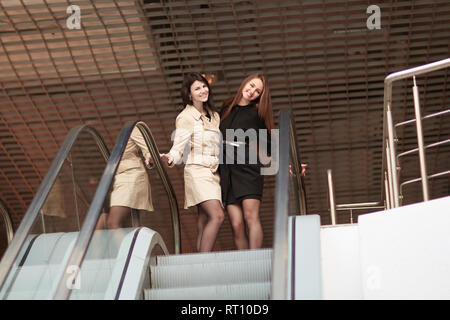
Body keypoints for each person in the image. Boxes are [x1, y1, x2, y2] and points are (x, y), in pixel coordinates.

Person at [160, 72, 224, 252]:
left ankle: (198, 262)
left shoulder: (214, 115)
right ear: (189, 94)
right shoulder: (185, 117)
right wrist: (171, 157)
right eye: (197, 88)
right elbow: (179, 144)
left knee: (204, 219)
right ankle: (204, 262)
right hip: (197, 171)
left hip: (213, 172)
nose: (203, 90)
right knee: (217, 215)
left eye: (204, 86)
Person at [219, 73, 274, 250]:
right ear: (244, 83)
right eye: (251, 86)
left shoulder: (257, 113)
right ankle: (245, 263)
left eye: (257, 91)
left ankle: (255, 259)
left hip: (248, 168)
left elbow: (269, 144)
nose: (252, 92)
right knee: (236, 224)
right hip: (226, 168)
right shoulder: (227, 106)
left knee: (251, 218)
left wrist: (288, 163)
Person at [96, 126, 154, 230]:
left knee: (112, 222)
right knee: (101, 220)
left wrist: (150, 157)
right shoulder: (102, 134)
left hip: (131, 176)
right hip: (118, 180)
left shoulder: (134, 128)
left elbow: (149, 150)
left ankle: (123, 247)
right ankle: (95, 247)